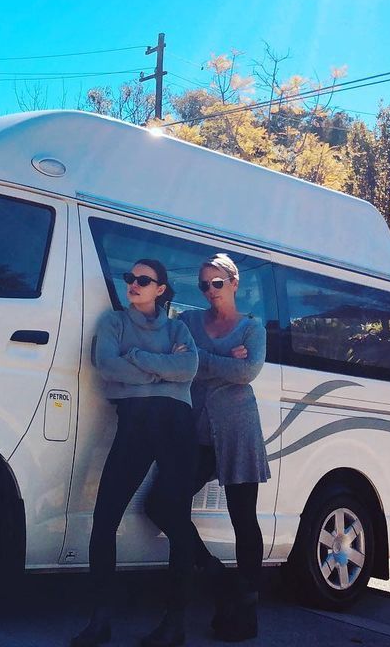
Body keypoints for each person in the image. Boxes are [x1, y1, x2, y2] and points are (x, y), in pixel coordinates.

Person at [71, 259, 199, 647]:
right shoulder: (114, 323)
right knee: (105, 517)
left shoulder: (177, 327)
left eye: (144, 280)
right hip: (136, 422)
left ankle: (175, 624)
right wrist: (163, 370)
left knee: (178, 521)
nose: (134, 284)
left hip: (176, 424)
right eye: (130, 278)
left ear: (160, 289)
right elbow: (108, 366)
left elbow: (189, 366)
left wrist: (139, 358)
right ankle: (100, 621)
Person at [177, 253, 270, 642]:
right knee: (163, 503)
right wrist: (220, 362)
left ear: (234, 283)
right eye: (204, 284)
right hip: (197, 430)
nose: (210, 290)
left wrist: (202, 359)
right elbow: (181, 362)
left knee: (243, 519)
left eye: (217, 283)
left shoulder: (252, 328)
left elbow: (247, 372)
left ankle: (247, 609)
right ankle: (216, 575)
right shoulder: (188, 321)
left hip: (238, 431)